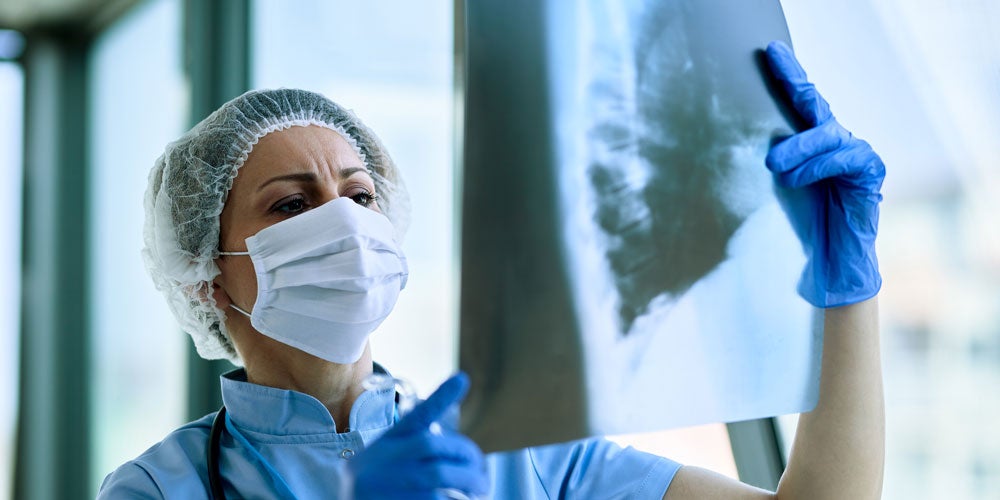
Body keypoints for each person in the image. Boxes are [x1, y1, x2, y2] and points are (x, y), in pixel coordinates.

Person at [98, 41, 885, 499]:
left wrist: (846, 287)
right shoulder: (163, 487)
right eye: (291, 206)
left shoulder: (516, 447)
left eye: (361, 194)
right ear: (206, 273)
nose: (344, 222)